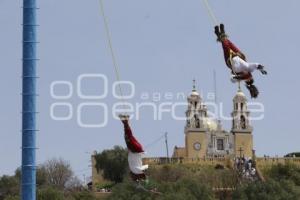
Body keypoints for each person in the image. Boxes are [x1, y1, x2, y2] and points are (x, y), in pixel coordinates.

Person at [214, 24, 267, 98]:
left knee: (225, 45)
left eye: (247, 78)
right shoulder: (248, 68)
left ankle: (219, 34)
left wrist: (238, 77)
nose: (246, 74)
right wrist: (260, 68)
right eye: (249, 77)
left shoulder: (240, 74)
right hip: (238, 55)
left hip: (230, 60)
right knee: (228, 43)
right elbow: (255, 65)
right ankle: (220, 34)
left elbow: (232, 79)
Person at [119, 114, 148, 182]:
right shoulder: (136, 170)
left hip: (137, 148)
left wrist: (141, 179)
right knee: (127, 136)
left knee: (129, 136)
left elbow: (145, 167)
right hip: (135, 149)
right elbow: (146, 168)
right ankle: (125, 121)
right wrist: (144, 179)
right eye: (132, 176)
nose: (130, 175)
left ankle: (126, 121)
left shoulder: (134, 169)